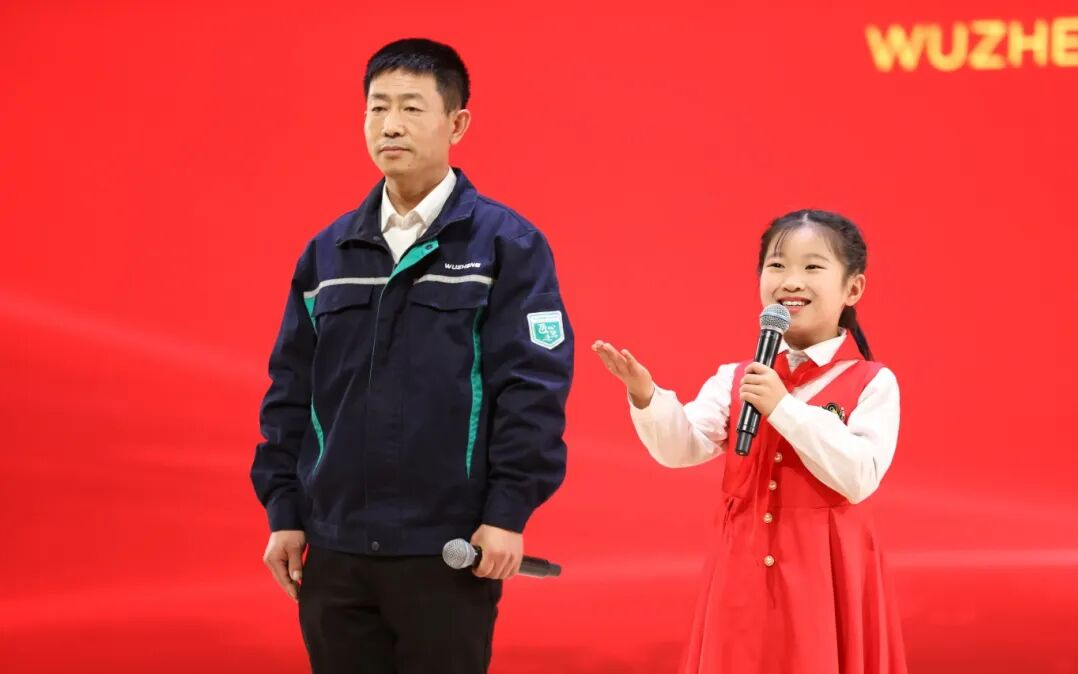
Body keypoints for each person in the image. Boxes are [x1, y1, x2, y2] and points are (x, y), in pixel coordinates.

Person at [250, 38, 574, 674]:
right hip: (335, 550)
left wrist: (507, 514)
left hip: (449, 548)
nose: (390, 125)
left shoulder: (508, 245)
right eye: (377, 108)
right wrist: (284, 513)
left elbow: (533, 389)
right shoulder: (328, 253)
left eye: (411, 107)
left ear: (457, 123)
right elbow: (290, 390)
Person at [593, 210, 906, 673]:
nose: (790, 281)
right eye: (777, 265)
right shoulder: (738, 377)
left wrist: (783, 408)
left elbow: (859, 476)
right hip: (740, 568)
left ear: (853, 288)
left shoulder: (873, 382)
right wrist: (646, 396)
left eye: (812, 267)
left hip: (826, 574)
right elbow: (682, 448)